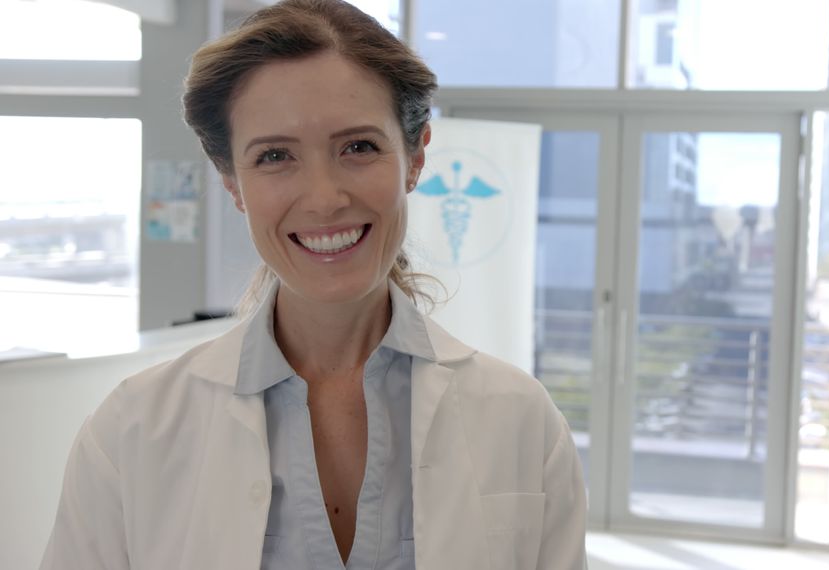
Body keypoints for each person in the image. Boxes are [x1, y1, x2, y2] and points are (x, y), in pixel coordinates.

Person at [39, 1, 587, 568]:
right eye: (275, 156)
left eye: (359, 147)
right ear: (233, 182)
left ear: (416, 157)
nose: (325, 199)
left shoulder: (521, 419)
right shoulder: (132, 430)